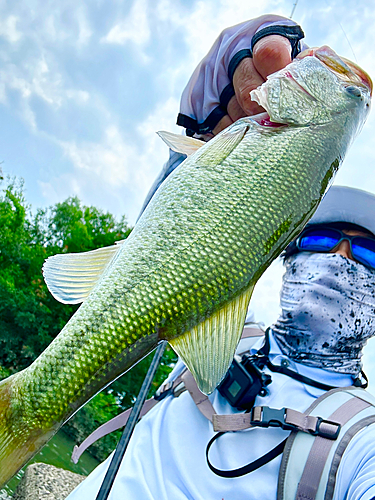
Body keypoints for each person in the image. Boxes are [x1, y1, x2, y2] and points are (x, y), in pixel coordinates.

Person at [66, 15, 375, 500]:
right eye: (321, 240)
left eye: (368, 252)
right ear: (286, 254)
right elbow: (160, 248)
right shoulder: (223, 324)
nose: (341, 256)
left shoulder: (366, 443)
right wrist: (191, 140)